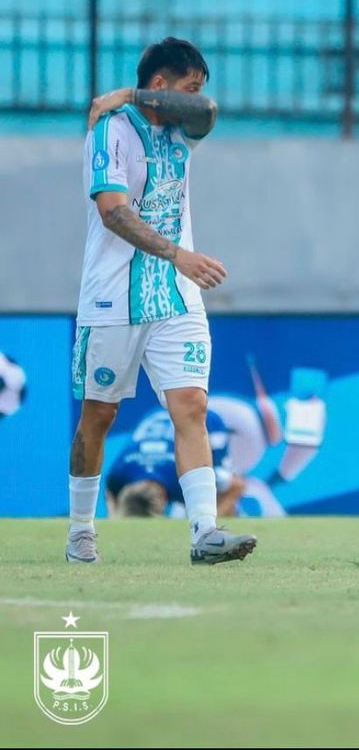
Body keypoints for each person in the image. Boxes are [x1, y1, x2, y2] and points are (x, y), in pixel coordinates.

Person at [67, 36, 256, 565]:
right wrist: (179, 254)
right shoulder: (110, 133)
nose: (198, 99)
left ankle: (204, 532)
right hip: (112, 299)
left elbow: (209, 114)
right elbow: (113, 212)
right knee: (98, 416)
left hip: (176, 297)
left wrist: (127, 91)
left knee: (191, 407)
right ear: (160, 86)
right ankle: (81, 528)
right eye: (189, 88)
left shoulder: (182, 132)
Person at [106, 409, 245, 518]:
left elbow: (236, 485)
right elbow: (111, 491)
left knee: (215, 493)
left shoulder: (182, 475)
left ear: (163, 500)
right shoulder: (118, 474)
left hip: (209, 424)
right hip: (160, 418)